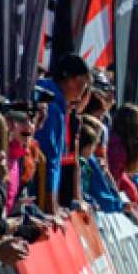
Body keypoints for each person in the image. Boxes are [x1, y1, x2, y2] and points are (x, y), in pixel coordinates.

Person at [34, 53, 93, 211]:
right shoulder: (52, 108)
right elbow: (49, 158)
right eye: (83, 83)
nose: (84, 90)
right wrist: (51, 206)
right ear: (71, 80)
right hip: (36, 194)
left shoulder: (53, 101)